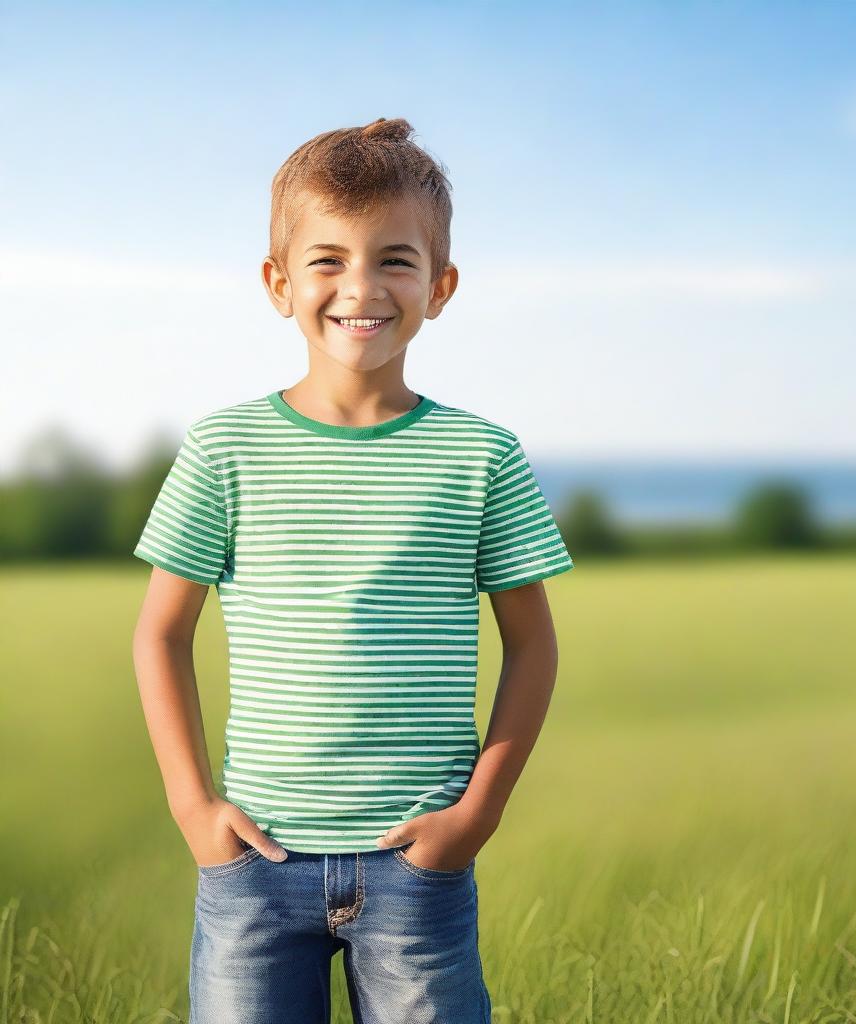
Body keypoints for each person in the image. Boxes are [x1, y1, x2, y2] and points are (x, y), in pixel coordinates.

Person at [131, 117, 574, 1024]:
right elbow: (160, 633)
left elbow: (532, 646)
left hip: (417, 869)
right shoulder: (226, 449)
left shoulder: (479, 456)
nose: (360, 288)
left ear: (440, 288)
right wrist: (193, 809)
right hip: (255, 864)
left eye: (396, 261)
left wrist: (475, 818)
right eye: (327, 260)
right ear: (278, 282)